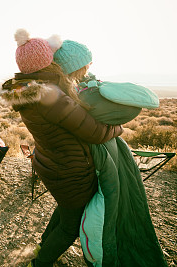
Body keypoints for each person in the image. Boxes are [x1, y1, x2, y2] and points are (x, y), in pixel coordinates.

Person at [0, 29, 123, 266]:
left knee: (66, 210)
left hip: (53, 164)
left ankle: (42, 249)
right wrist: (118, 129)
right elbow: (95, 132)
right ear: (48, 60)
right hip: (69, 171)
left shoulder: (27, 89)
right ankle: (40, 262)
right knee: (71, 226)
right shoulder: (50, 96)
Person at [52, 39, 167, 266]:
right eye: (87, 62)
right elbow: (140, 102)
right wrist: (115, 123)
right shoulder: (85, 97)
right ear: (79, 66)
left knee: (67, 215)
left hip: (84, 164)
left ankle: (43, 254)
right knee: (91, 219)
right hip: (94, 166)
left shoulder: (68, 93)